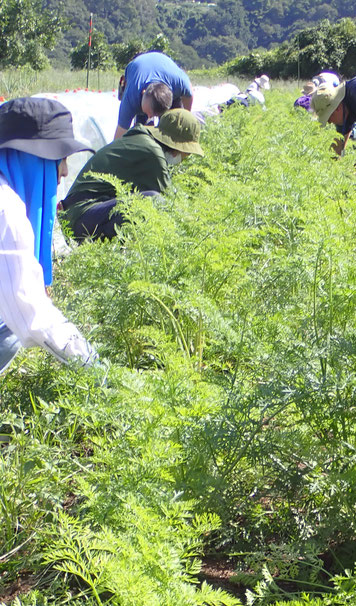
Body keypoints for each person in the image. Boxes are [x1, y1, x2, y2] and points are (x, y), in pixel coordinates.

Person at [0, 96, 100, 374]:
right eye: (60, 159)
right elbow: (32, 317)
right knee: (9, 329)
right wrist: (96, 368)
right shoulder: (5, 210)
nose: (65, 171)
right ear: (30, 158)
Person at [60, 109, 203, 243]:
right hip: (81, 217)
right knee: (154, 201)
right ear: (177, 148)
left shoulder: (142, 140)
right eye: (187, 153)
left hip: (82, 215)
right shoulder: (152, 153)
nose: (185, 158)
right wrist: (196, 230)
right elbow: (171, 205)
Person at [115, 51, 193, 139]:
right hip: (138, 69)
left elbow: (189, 95)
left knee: (173, 127)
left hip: (166, 68)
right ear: (143, 93)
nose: (150, 117)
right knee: (143, 131)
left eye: (153, 114)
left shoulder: (179, 84)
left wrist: (186, 118)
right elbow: (120, 131)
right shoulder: (131, 98)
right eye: (148, 113)